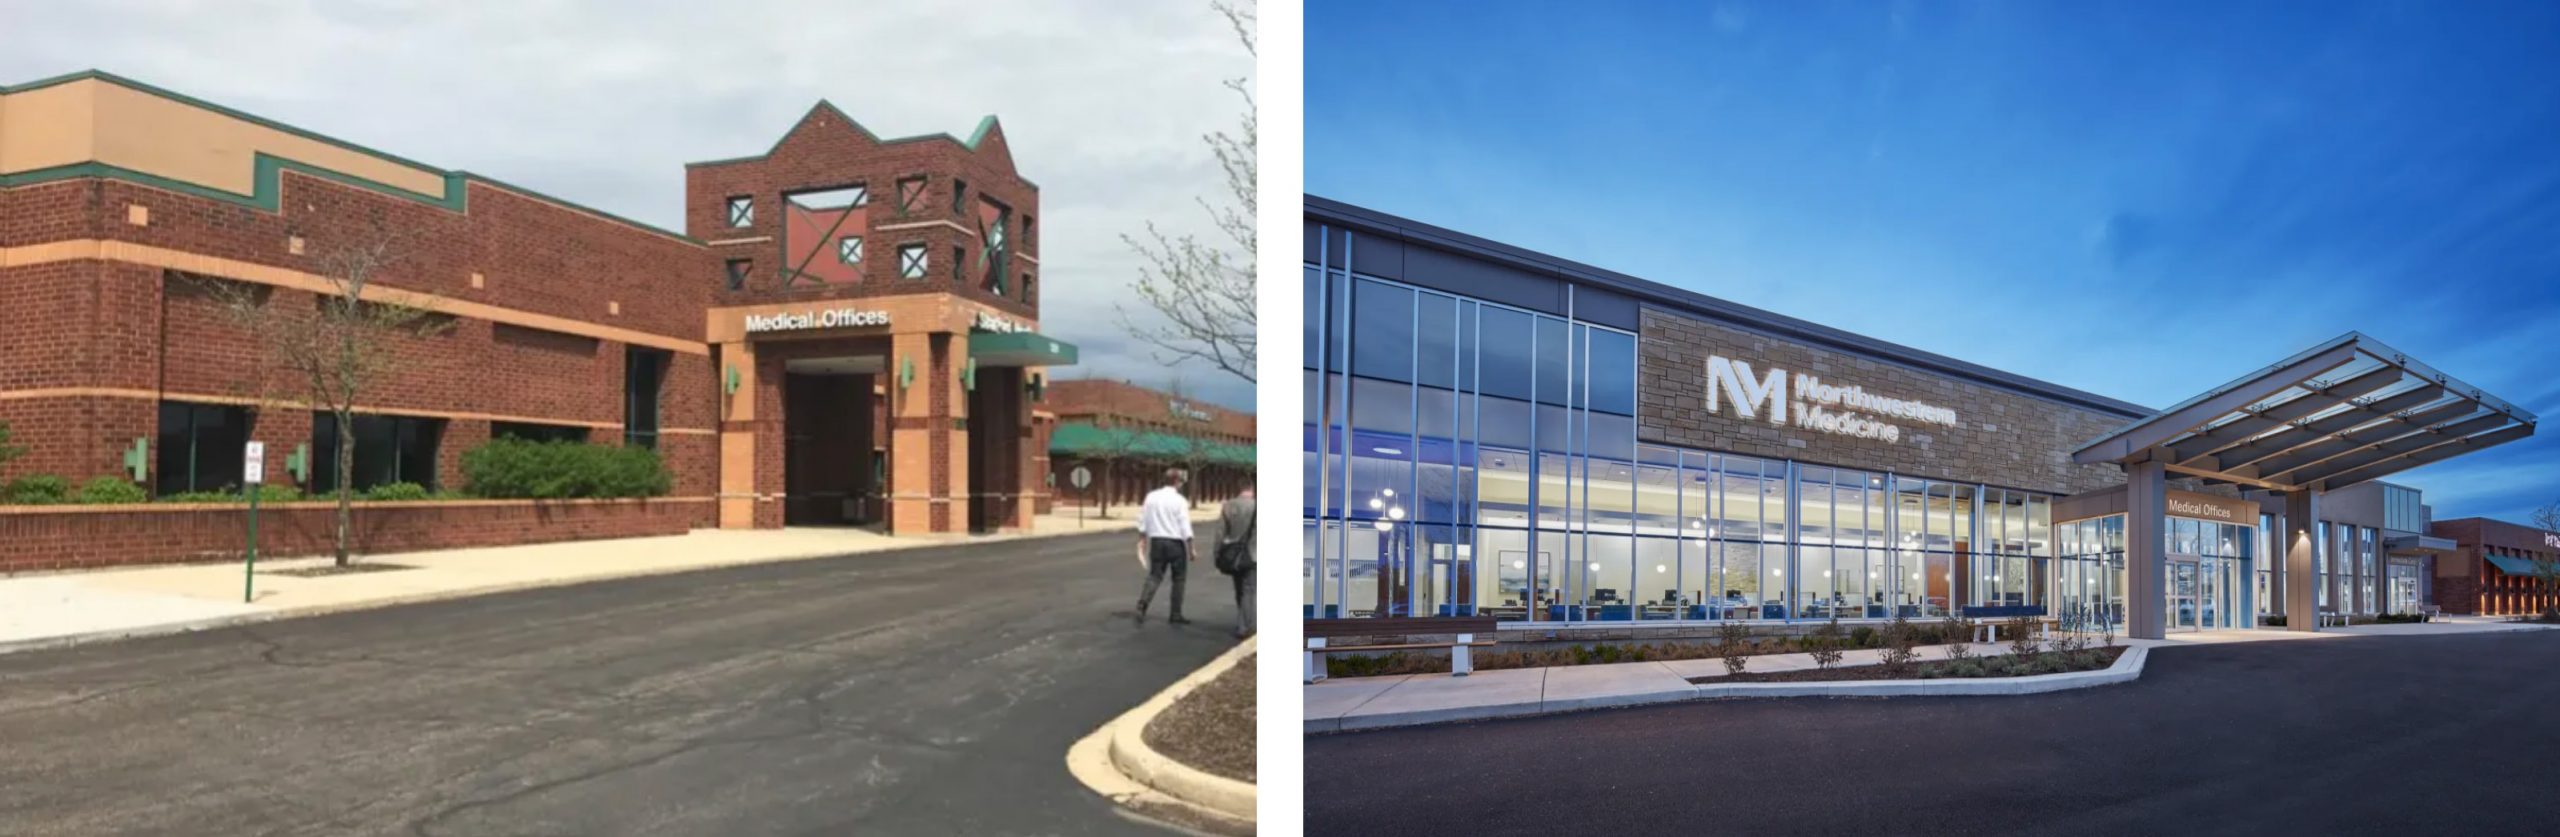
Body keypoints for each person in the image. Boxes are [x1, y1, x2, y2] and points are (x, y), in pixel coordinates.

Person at [1134, 468, 1195, 626]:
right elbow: (1184, 524)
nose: (1181, 483)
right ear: (1176, 481)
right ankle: (1175, 613)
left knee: (1155, 575)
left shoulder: (1151, 497)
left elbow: (1143, 518)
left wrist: (1142, 538)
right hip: (1175, 542)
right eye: (1181, 480)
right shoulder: (1180, 500)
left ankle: (1142, 604)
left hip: (1157, 541)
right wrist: (1191, 547)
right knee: (1178, 579)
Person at [1215, 487, 1257, 639]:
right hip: (1253, 554)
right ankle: (1244, 626)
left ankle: (1244, 619)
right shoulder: (1257, 505)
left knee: (1239, 589)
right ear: (1251, 490)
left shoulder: (1228, 506)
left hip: (1234, 555)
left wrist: (1217, 554)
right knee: (1249, 590)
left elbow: (1220, 532)